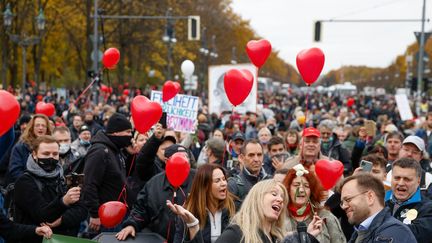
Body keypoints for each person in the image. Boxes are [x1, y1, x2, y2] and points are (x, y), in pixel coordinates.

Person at [167, 179, 322, 243]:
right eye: (274, 194)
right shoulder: (237, 233)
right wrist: (194, 225)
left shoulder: (275, 238)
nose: (281, 200)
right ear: (257, 198)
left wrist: (307, 236)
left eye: (283, 197)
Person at [13, 135, 87, 243]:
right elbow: (43, 216)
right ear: (34, 154)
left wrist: (62, 220)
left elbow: (82, 209)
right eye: (46, 154)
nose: (51, 158)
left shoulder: (62, 177)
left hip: (65, 239)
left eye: (55, 154)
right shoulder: (25, 181)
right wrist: (63, 202)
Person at [115, 149, 196, 243]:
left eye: (185, 157)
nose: (181, 161)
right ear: (167, 161)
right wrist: (132, 224)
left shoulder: (198, 181)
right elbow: (141, 208)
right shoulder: (154, 183)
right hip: (158, 239)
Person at [82, 113, 134, 232]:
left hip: (118, 214)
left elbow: (121, 176)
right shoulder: (99, 151)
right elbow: (89, 184)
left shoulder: (115, 149)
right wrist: (95, 214)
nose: (130, 136)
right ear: (115, 132)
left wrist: (131, 155)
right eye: (127, 132)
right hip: (104, 216)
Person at [340, 173, 416, 242]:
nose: (344, 206)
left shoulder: (394, 232)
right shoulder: (360, 232)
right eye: (342, 202)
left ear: (370, 197)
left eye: (348, 199)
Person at [170, 163, 235, 243]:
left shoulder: (233, 208)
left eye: (224, 179)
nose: (224, 183)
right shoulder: (188, 214)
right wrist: (192, 225)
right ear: (205, 186)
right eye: (217, 180)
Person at [283, 164, 346, 243]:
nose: (301, 190)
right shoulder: (279, 217)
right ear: (288, 189)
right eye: (296, 185)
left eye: (306, 186)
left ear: (311, 191)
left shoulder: (325, 216)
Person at [385, 157, 432, 242]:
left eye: (407, 179)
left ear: (418, 181)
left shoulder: (428, 208)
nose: (401, 183)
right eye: (397, 178)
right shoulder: (378, 201)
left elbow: (418, 235)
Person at [8, 114, 52, 184]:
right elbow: (15, 171)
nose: (40, 128)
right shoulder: (21, 146)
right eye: (37, 125)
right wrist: (30, 184)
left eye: (43, 126)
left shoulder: (52, 146)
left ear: (47, 129)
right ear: (32, 128)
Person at [228, 139, 271, 208]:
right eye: (251, 155)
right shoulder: (233, 185)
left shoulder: (271, 181)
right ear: (241, 158)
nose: (256, 159)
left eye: (259, 155)